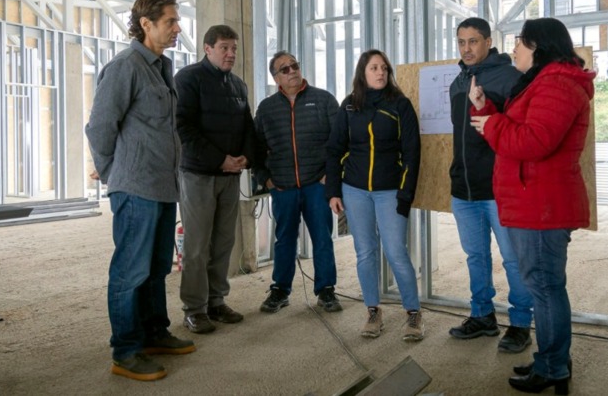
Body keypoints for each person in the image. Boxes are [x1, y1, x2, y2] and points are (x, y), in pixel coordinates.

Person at [469, 18, 595, 394]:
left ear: (538, 46)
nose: (514, 49)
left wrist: (490, 124)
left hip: (543, 206)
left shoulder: (557, 84)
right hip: (535, 201)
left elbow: (535, 141)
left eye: (520, 42)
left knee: (544, 287)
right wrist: (488, 106)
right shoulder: (546, 83)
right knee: (545, 286)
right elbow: (522, 124)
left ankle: (554, 367)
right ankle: (553, 359)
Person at [85, 0, 195, 381]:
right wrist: (114, 173)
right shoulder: (125, 66)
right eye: (170, 21)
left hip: (164, 186)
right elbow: (100, 126)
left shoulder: (161, 67)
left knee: (156, 267)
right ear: (146, 24)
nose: (178, 28)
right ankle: (126, 350)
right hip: (136, 187)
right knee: (130, 271)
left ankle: (154, 333)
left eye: (177, 20)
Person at [448, 17, 533, 353]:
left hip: (499, 189)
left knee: (513, 259)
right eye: (461, 42)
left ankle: (521, 322)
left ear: (488, 42)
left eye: (473, 41)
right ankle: (482, 315)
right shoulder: (458, 82)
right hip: (464, 189)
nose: (466, 48)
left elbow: (520, 133)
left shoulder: (510, 77)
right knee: (476, 257)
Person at [325, 49, 423, 342]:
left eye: (383, 68)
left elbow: (412, 154)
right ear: (362, 73)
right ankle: (372, 310)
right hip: (354, 191)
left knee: (395, 252)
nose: (380, 73)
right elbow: (334, 149)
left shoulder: (400, 105)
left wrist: (405, 195)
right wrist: (333, 190)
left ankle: (413, 312)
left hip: (389, 191)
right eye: (373, 68)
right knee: (365, 253)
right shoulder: (349, 106)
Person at [176, 24, 255, 334]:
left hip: (230, 177)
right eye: (224, 47)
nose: (231, 53)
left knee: (224, 242)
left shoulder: (238, 85)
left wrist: (245, 158)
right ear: (207, 48)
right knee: (197, 246)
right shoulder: (187, 79)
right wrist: (220, 159)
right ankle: (194, 309)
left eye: (233, 48)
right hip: (198, 175)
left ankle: (216, 301)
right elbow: (183, 128)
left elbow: (248, 126)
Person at [253, 51, 342, 313]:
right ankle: (280, 289)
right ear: (276, 78)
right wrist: (266, 179)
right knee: (284, 239)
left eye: (295, 66)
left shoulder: (323, 100)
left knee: (322, 238)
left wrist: (330, 176)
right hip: (283, 186)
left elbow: (340, 140)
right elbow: (256, 148)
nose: (292, 71)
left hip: (317, 184)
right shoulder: (266, 109)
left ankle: (326, 290)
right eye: (284, 69)